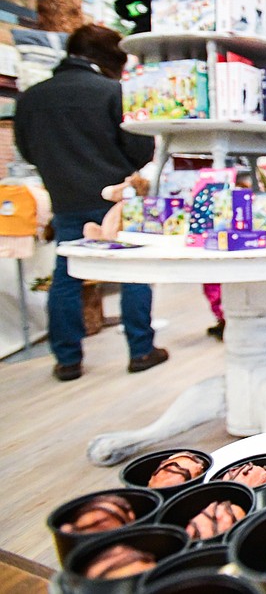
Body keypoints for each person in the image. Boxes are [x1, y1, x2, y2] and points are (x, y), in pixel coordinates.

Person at [13, 24, 168, 381]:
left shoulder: (32, 98)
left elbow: (27, 150)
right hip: (116, 197)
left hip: (65, 198)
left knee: (66, 275)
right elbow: (141, 146)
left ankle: (67, 359)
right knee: (135, 273)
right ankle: (141, 349)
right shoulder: (113, 92)